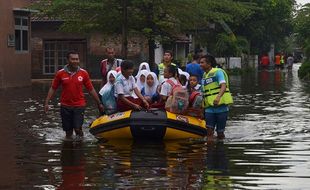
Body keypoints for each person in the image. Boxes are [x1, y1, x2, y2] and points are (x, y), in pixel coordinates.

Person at [44, 51, 104, 139]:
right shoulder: (60, 73)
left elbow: (91, 89)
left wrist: (99, 103)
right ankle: (69, 150)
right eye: (73, 59)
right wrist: (46, 102)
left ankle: (80, 147)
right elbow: (53, 88)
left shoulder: (84, 73)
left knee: (77, 128)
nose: (76, 61)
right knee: (68, 132)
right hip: (65, 106)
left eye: (77, 59)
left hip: (79, 105)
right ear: (68, 60)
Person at [200, 55, 233, 140]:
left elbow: (223, 85)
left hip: (221, 107)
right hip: (209, 108)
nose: (200, 64)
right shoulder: (204, 75)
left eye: (202, 62)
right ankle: (209, 151)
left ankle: (220, 150)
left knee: (220, 133)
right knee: (209, 131)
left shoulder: (218, 72)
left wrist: (218, 97)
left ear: (209, 63)